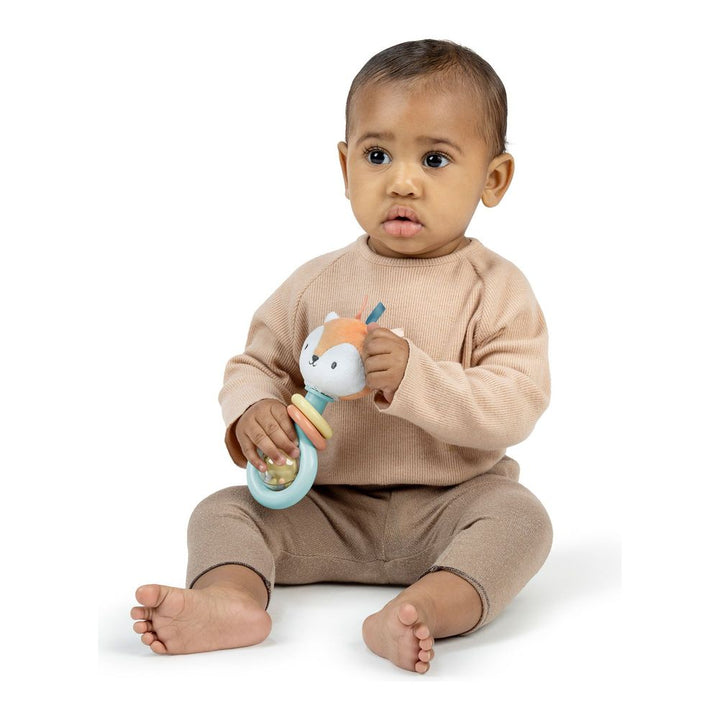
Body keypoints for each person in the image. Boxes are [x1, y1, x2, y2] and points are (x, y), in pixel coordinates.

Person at [131, 39, 552, 674]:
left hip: (453, 504)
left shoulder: (497, 289)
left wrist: (414, 377)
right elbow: (255, 365)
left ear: (493, 179)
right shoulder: (314, 283)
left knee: (522, 521)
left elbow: (516, 402)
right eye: (377, 155)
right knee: (221, 511)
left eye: (435, 159)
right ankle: (230, 600)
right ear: (345, 165)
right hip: (323, 508)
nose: (402, 182)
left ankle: (424, 608)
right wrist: (253, 413)